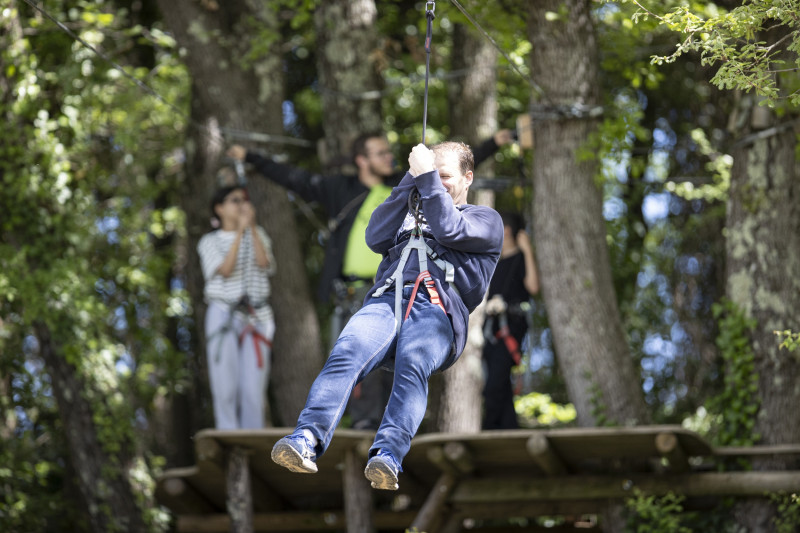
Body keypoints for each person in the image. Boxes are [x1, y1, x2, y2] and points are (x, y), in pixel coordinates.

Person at [226, 130, 512, 431]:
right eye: (380, 153)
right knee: (355, 351)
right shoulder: (342, 189)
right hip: (366, 289)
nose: (389, 157)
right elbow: (296, 179)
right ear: (362, 160)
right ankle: (359, 424)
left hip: (414, 286)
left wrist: (492, 144)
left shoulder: (411, 185)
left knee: (406, 359)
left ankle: (388, 434)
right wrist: (251, 157)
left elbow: (450, 168)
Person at [270, 141, 503, 491]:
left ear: (468, 178)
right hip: (387, 301)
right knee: (346, 352)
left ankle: (389, 454)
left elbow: (448, 228)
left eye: (444, 176)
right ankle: (306, 438)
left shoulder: (485, 220)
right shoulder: (409, 209)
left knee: (413, 363)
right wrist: (411, 178)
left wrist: (426, 178)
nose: (436, 183)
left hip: (436, 310)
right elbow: (375, 235)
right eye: (430, 175)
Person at [197, 185, 277, 429]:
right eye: (234, 200)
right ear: (219, 208)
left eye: (243, 200)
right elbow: (225, 269)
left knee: (253, 388)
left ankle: (251, 437)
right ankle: (228, 436)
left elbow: (265, 264)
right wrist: (239, 232)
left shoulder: (258, 233)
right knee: (225, 385)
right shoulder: (209, 241)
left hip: (257, 315)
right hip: (223, 312)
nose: (241, 205)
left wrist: (250, 229)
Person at [482, 212, 539, 430]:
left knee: (494, 384)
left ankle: (490, 429)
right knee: (500, 383)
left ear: (505, 230)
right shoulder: (494, 263)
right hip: (491, 328)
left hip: (511, 327)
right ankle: (509, 429)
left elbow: (533, 287)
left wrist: (527, 250)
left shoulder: (521, 259)